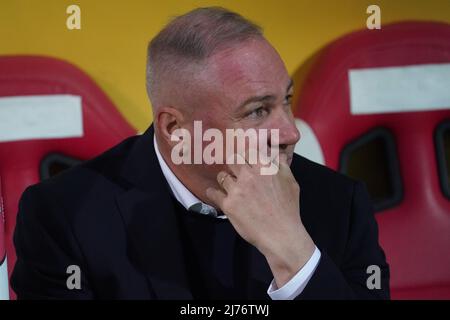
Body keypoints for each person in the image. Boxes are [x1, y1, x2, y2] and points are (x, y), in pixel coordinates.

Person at [11, 7, 389, 299]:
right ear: (175, 129)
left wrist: (296, 256)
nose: (290, 132)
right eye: (257, 111)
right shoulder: (63, 217)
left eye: (286, 101)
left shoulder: (340, 203)